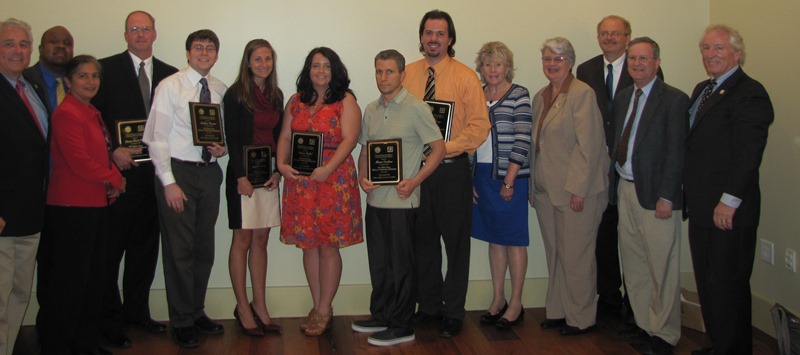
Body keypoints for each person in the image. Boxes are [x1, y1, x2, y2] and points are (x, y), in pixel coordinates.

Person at [684, 25, 773, 355]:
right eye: (706, 48)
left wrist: (728, 202)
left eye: (719, 48)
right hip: (702, 205)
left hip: (728, 210)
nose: (710, 55)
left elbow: (748, 155)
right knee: (709, 285)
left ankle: (734, 349)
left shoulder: (749, 92)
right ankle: (720, 345)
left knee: (727, 285)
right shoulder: (703, 89)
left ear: (738, 53)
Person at [91, 10, 178, 348]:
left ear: (155, 33)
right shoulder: (104, 69)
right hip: (119, 176)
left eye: (145, 28)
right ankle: (109, 320)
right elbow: (93, 118)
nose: (140, 34)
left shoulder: (171, 75)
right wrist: (111, 150)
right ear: (126, 35)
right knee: (111, 252)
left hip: (155, 178)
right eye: (134, 29)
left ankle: (137, 313)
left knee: (144, 250)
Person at [402, 9, 490, 338]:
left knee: (455, 245)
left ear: (450, 39)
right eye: (428, 33)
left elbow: (480, 127)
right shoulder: (407, 75)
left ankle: (453, 310)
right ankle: (429, 307)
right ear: (421, 37)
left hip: (452, 172)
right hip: (417, 173)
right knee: (422, 242)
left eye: (440, 33)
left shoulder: (466, 77)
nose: (433, 39)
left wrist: (444, 147)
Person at [353, 49, 445, 346]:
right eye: (379, 71)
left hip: (403, 202)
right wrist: (362, 178)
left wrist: (415, 181)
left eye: (389, 72)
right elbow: (365, 150)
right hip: (376, 201)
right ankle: (381, 314)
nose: (383, 77)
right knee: (379, 262)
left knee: (402, 265)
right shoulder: (371, 109)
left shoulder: (417, 108)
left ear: (403, 75)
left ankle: (402, 324)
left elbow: (438, 148)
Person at [142, 29, 227, 348]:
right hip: (179, 173)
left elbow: (222, 133)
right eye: (198, 48)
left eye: (210, 48)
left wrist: (222, 148)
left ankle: (195, 311)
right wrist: (169, 183)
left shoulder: (219, 89)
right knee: (179, 251)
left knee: (203, 249)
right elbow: (155, 137)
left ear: (217, 54)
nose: (204, 53)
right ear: (188, 53)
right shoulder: (170, 86)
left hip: (208, 173)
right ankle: (180, 320)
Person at [575, 15, 662, 319]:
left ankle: (639, 305)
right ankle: (609, 297)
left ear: (627, 37)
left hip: (632, 167)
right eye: (604, 33)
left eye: (616, 33)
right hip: (599, 163)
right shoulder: (585, 70)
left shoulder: (644, 66)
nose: (609, 38)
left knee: (636, 240)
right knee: (603, 231)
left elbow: (652, 115)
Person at [276, 47, 363, 337]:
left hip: (332, 180)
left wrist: (327, 169)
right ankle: (317, 306)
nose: (321, 71)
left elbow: (350, 140)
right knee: (308, 244)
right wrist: (280, 164)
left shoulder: (345, 101)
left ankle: (325, 307)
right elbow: (286, 136)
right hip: (300, 182)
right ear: (308, 70)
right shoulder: (296, 101)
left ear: (335, 70)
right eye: (315, 66)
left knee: (328, 245)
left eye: (326, 66)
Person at [41, 54, 124, 355]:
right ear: (68, 81)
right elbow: (80, 162)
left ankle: (85, 342)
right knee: (70, 284)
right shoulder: (66, 114)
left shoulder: (92, 112)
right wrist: (114, 179)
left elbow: (102, 154)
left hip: (95, 206)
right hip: (71, 208)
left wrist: (110, 180)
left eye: (95, 76)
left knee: (92, 280)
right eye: (83, 76)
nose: (90, 82)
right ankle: (61, 345)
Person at [610, 37, 688, 355]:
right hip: (626, 188)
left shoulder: (673, 99)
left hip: (657, 195)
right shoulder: (625, 96)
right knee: (634, 264)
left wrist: (667, 195)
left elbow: (676, 152)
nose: (637, 64)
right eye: (632, 59)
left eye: (644, 58)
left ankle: (665, 334)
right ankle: (644, 325)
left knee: (662, 266)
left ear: (657, 61)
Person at [529, 37, 609, 336]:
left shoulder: (581, 94)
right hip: (546, 190)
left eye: (558, 60)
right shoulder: (542, 95)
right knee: (556, 254)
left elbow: (590, 146)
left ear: (570, 62)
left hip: (576, 191)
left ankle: (581, 318)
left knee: (577, 257)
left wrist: (579, 189)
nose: (552, 64)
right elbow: (536, 145)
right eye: (547, 59)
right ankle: (559, 311)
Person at [223, 38, 284, 337]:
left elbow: (279, 136)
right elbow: (232, 138)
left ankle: (260, 305)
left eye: (268, 59)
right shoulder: (235, 95)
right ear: (248, 62)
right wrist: (239, 176)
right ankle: (242, 306)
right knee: (242, 241)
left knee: (261, 240)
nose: (263, 64)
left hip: (267, 176)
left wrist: (278, 172)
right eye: (257, 59)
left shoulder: (276, 94)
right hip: (243, 176)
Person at [471, 41, 532, 329]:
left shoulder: (519, 94)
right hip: (482, 176)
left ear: (507, 66)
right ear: (480, 68)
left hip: (511, 177)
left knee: (514, 240)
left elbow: (523, 139)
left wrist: (509, 180)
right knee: (495, 239)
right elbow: (470, 138)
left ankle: (516, 303)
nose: (492, 69)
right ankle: (498, 299)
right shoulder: (477, 95)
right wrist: (470, 178)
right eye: (487, 64)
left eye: (498, 63)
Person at [0, 17, 50, 355]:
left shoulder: (29, 87)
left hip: (30, 213)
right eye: (8, 44)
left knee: (18, 293)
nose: (17, 50)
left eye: (23, 44)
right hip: (3, 215)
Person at [23, 25, 73, 112]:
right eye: (54, 42)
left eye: (67, 43)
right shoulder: (24, 79)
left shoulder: (80, 82)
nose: (61, 46)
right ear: (40, 49)